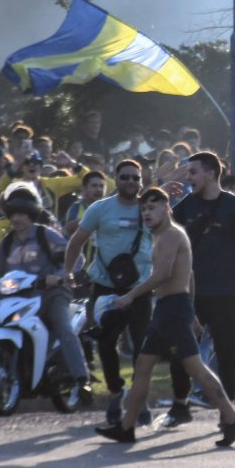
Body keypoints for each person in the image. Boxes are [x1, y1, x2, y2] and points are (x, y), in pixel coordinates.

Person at [94, 187, 235, 446]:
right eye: (143, 209)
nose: (146, 212)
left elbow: (163, 274)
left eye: (152, 207)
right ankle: (127, 426)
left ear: (167, 208)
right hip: (172, 309)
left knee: (196, 369)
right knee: (143, 367)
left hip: (172, 311)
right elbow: (188, 275)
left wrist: (130, 296)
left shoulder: (169, 235)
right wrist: (192, 314)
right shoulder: (167, 236)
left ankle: (233, 420)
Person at [165, 152, 235, 405]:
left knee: (227, 351)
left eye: (193, 172)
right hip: (191, 291)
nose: (188, 177)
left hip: (225, 291)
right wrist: (162, 197)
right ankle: (180, 404)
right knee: (181, 349)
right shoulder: (185, 206)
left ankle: (228, 407)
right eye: (188, 173)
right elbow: (160, 234)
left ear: (211, 174)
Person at [64, 160, 155, 426]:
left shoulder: (150, 208)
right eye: (125, 177)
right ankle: (116, 392)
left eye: (135, 178)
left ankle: (140, 402)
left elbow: (167, 239)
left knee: (142, 347)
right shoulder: (99, 208)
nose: (130, 182)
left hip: (139, 287)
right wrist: (68, 272)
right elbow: (77, 240)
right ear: (116, 179)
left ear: (141, 181)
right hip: (105, 285)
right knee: (106, 343)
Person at [0, 184, 90, 406]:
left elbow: (75, 257)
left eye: (22, 213)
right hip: (18, 299)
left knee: (63, 326)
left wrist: (61, 275)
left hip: (52, 294)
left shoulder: (47, 235)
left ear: (32, 213)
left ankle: (82, 379)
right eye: (13, 213)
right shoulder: (6, 243)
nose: (17, 219)